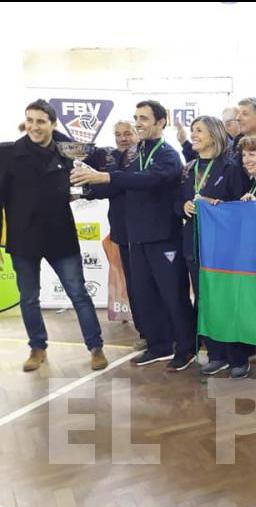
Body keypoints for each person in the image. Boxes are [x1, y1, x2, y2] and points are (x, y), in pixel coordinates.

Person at [71, 100, 197, 372]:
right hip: (135, 236)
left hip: (164, 237)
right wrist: (84, 188)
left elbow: (149, 180)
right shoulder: (133, 153)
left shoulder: (168, 155)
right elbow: (119, 185)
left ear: (161, 122)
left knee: (173, 295)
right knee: (143, 295)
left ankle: (186, 348)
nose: (138, 123)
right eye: (136, 117)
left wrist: (106, 177)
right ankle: (158, 345)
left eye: (144, 118)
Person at [0, 99, 107, 372]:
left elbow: (95, 157)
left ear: (53, 124)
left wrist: (58, 138)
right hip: (23, 239)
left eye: (41, 121)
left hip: (61, 236)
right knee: (29, 298)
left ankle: (95, 347)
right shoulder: (8, 153)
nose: (34, 127)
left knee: (79, 294)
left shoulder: (66, 152)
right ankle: (37, 348)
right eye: (30, 120)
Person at [177, 116, 252, 378]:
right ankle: (217, 354)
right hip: (194, 245)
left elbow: (239, 208)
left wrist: (214, 204)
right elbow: (177, 203)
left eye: (199, 131)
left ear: (214, 135)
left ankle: (239, 357)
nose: (193, 135)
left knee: (227, 301)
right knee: (205, 302)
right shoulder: (188, 168)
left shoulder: (230, 167)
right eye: (193, 130)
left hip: (223, 248)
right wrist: (184, 207)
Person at [85, 120, 146, 350]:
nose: (123, 138)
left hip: (148, 232)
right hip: (122, 231)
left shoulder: (143, 158)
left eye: (128, 133)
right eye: (118, 134)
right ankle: (145, 332)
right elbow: (103, 189)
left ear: (137, 135)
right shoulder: (108, 159)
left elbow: (132, 185)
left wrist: (114, 180)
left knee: (149, 285)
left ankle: (165, 333)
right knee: (133, 285)